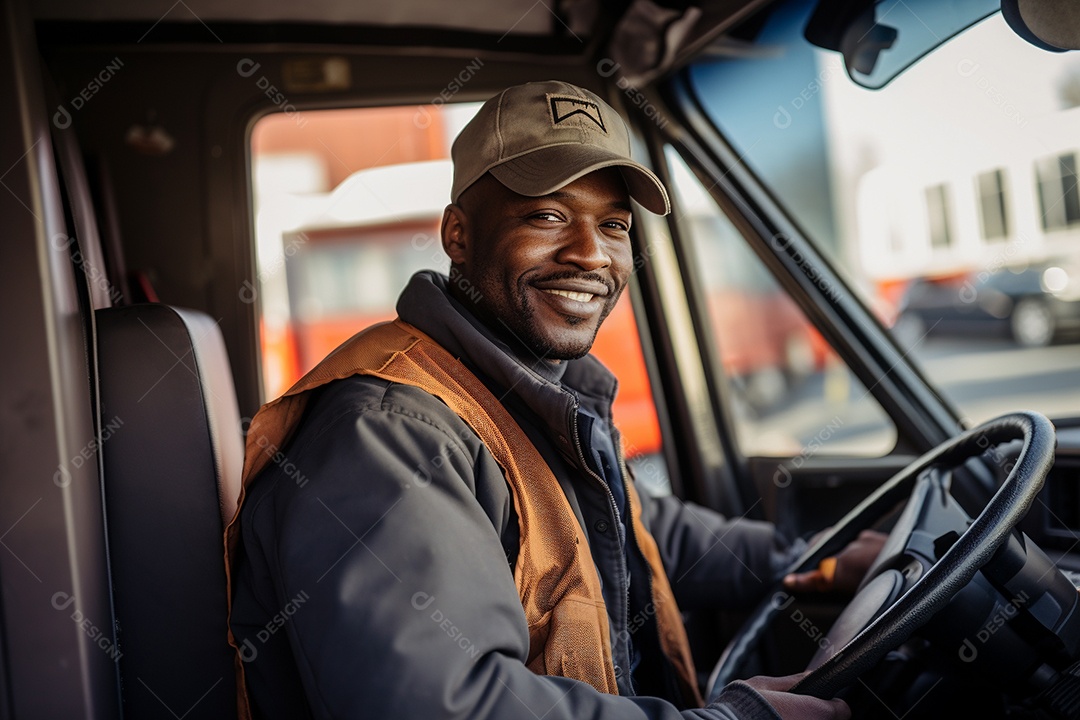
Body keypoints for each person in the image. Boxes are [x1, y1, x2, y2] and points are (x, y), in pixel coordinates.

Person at [227, 80, 883, 720]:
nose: (589, 254)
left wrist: (814, 559)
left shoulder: (525, 388)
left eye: (614, 224)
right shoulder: (388, 436)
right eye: (546, 216)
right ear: (458, 234)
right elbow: (444, 703)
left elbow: (643, 530)